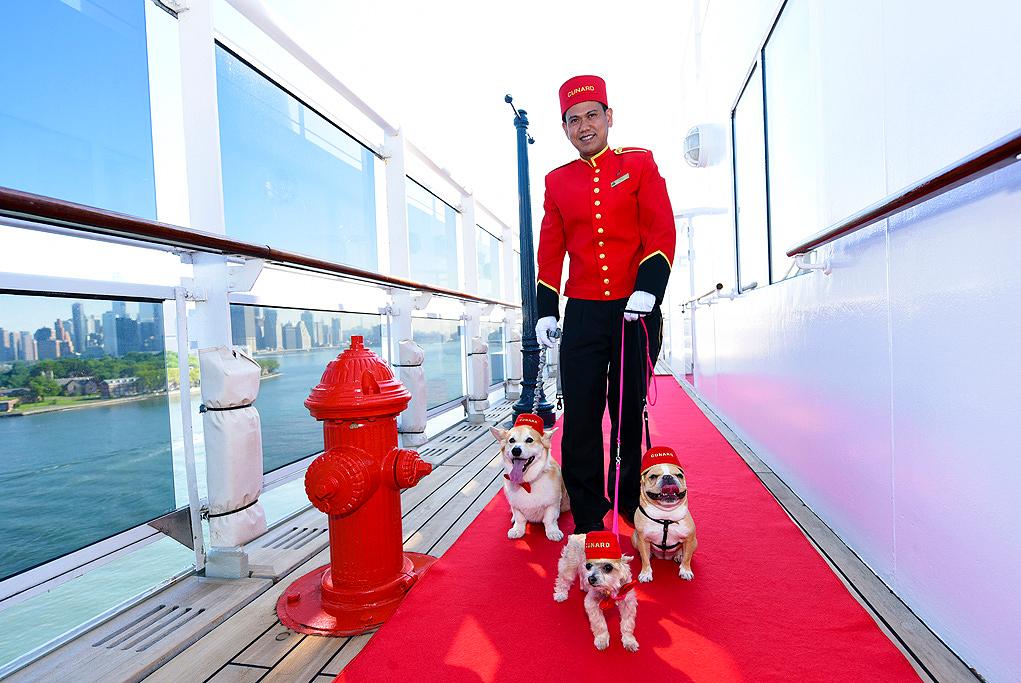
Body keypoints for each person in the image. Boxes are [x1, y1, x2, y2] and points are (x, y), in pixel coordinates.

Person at [535, 74, 675, 534]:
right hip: (585, 313)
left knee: (626, 407)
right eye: (573, 120)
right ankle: (589, 506)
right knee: (580, 410)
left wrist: (649, 288)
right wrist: (546, 309)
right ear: (565, 129)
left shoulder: (639, 164)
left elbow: (660, 230)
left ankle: (630, 497)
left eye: (592, 115)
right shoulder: (557, 182)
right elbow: (551, 251)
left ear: (609, 117)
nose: (584, 125)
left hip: (635, 310)